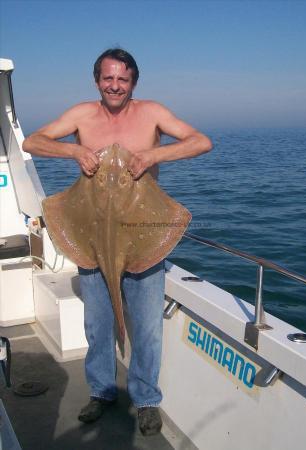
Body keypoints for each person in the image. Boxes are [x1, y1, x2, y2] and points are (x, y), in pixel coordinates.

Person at [23, 48, 212, 436]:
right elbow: (33, 142)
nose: (114, 85)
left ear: (133, 83)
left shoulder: (152, 112)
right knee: (98, 323)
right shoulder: (81, 115)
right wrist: (73, 149)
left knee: (146, 328)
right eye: (108, 78)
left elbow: (200, 141)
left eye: (122, 79)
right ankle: (102, 391)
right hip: (92, 233)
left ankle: (145, 400)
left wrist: (153, 155)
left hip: (142, 230)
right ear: (97, 81)